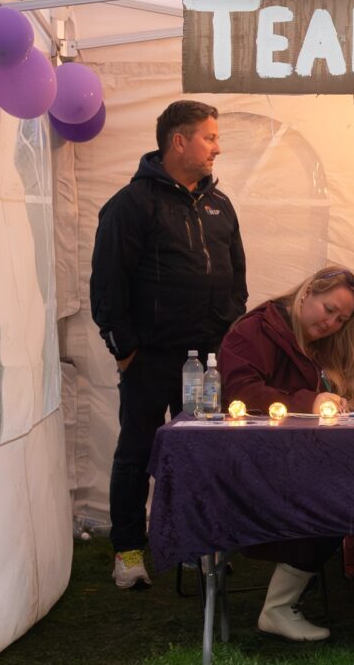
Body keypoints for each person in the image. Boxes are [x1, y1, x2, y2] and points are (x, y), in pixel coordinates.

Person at [218, 266, 354, 641]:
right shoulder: (253, 331)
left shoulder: (311, 341)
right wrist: (311, 399)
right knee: (334, 493)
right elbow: (240, 393)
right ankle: (277, 608)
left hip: (302, 454)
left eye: (342, 318)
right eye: (329, 309)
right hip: (257, 460)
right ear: (307, 293)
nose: (333, 322)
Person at [90, 100, 247, 589]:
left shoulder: (221, 205)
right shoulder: (131, 204)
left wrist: (229, 333)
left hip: (208, 363)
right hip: (150, 359)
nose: (218, 147)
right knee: (136, 453)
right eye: (210, 137)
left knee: (205, 453)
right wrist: (125, 349)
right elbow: (108, 283)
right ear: (179, 141)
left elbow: (236, 278)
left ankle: (201, 544)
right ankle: (129, 551)